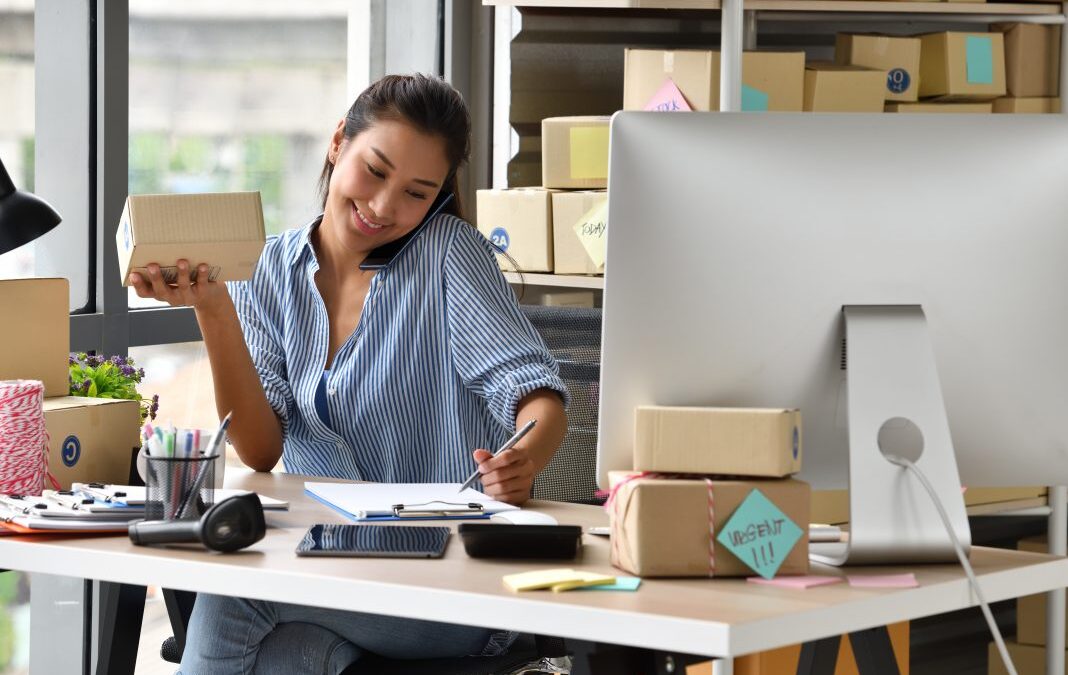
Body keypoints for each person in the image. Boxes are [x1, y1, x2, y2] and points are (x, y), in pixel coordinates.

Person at [129, 73, 569, 674]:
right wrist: (213, 307)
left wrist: (526, 460)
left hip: (449, 581)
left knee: (237, 590)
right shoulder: (271, 268)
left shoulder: (449, 253)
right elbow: (260, 449)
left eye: (417, 192)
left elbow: (538, 397)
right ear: (339, 141)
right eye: (376, 170)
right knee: (290, 659)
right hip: (331, 569)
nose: (385, 207)